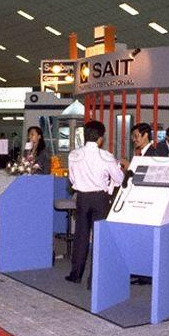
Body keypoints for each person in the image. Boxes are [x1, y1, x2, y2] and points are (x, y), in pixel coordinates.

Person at [66, 120, 125, 283]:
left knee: (81, 237)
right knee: (100, 238)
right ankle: (95, 280)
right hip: (100, 199)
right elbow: (119, 179)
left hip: (82, 198)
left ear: (85, 136)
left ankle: (75, 275)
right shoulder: (106, 156)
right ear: (100, 138)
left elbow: (72, 179)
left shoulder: (74, 155)